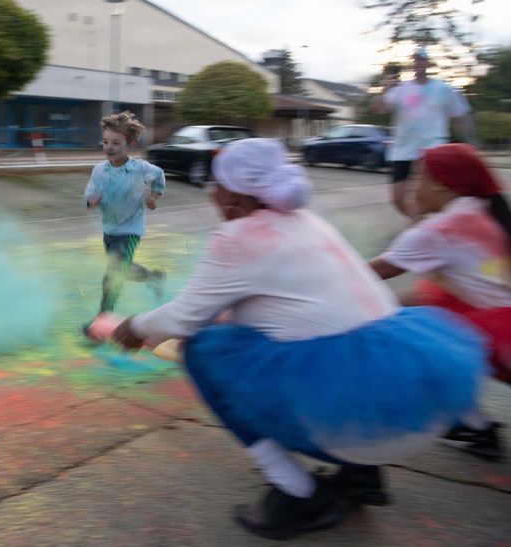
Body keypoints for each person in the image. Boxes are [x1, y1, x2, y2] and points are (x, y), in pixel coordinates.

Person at [108, 138, 486, 540]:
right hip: (412, 402)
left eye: (214, 185)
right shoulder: (309, 221)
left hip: (348, 424)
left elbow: (182, 319)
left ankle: (297, 493)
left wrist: (134, 326)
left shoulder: (237, 237)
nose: (212, 194)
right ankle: (361, 477)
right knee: (278, 341)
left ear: (236, 192)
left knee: (201, 352)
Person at [369, 143, 510, 462]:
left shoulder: (440, 231)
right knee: (417, 309)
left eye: (418, 176)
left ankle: (475, 427)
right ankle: (473, 424)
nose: (413, 184)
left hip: (500, 330)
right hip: (496, 316)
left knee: (404, 337)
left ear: (443, 184)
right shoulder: (479, 209)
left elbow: (369, 274)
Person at [82, 111, 166, 326]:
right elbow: (89, 193)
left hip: (131, 229)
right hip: (109, 229)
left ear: (130, 145)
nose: (109, 147)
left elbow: (159, 176)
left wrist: (154, 196)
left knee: (114, 273)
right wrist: (92, 200)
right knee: (123, 269)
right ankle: (152, 277)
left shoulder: (139, 169)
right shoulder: (99, 171)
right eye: (106, 142)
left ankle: (103, 318)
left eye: (116, 143)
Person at [376, 46, 475, 220]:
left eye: (421, 59)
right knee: (397, 199)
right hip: (402, 151)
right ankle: (424, 228)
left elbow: (459, 118)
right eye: (415, 60)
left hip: (430, 151)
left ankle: (424, 231)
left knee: (426, 198)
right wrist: (384, 89)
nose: (418, 63)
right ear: (412, 64)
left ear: (429, 63)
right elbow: (379, 109)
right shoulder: (401, 89)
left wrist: (469, 146)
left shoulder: (444, 89)